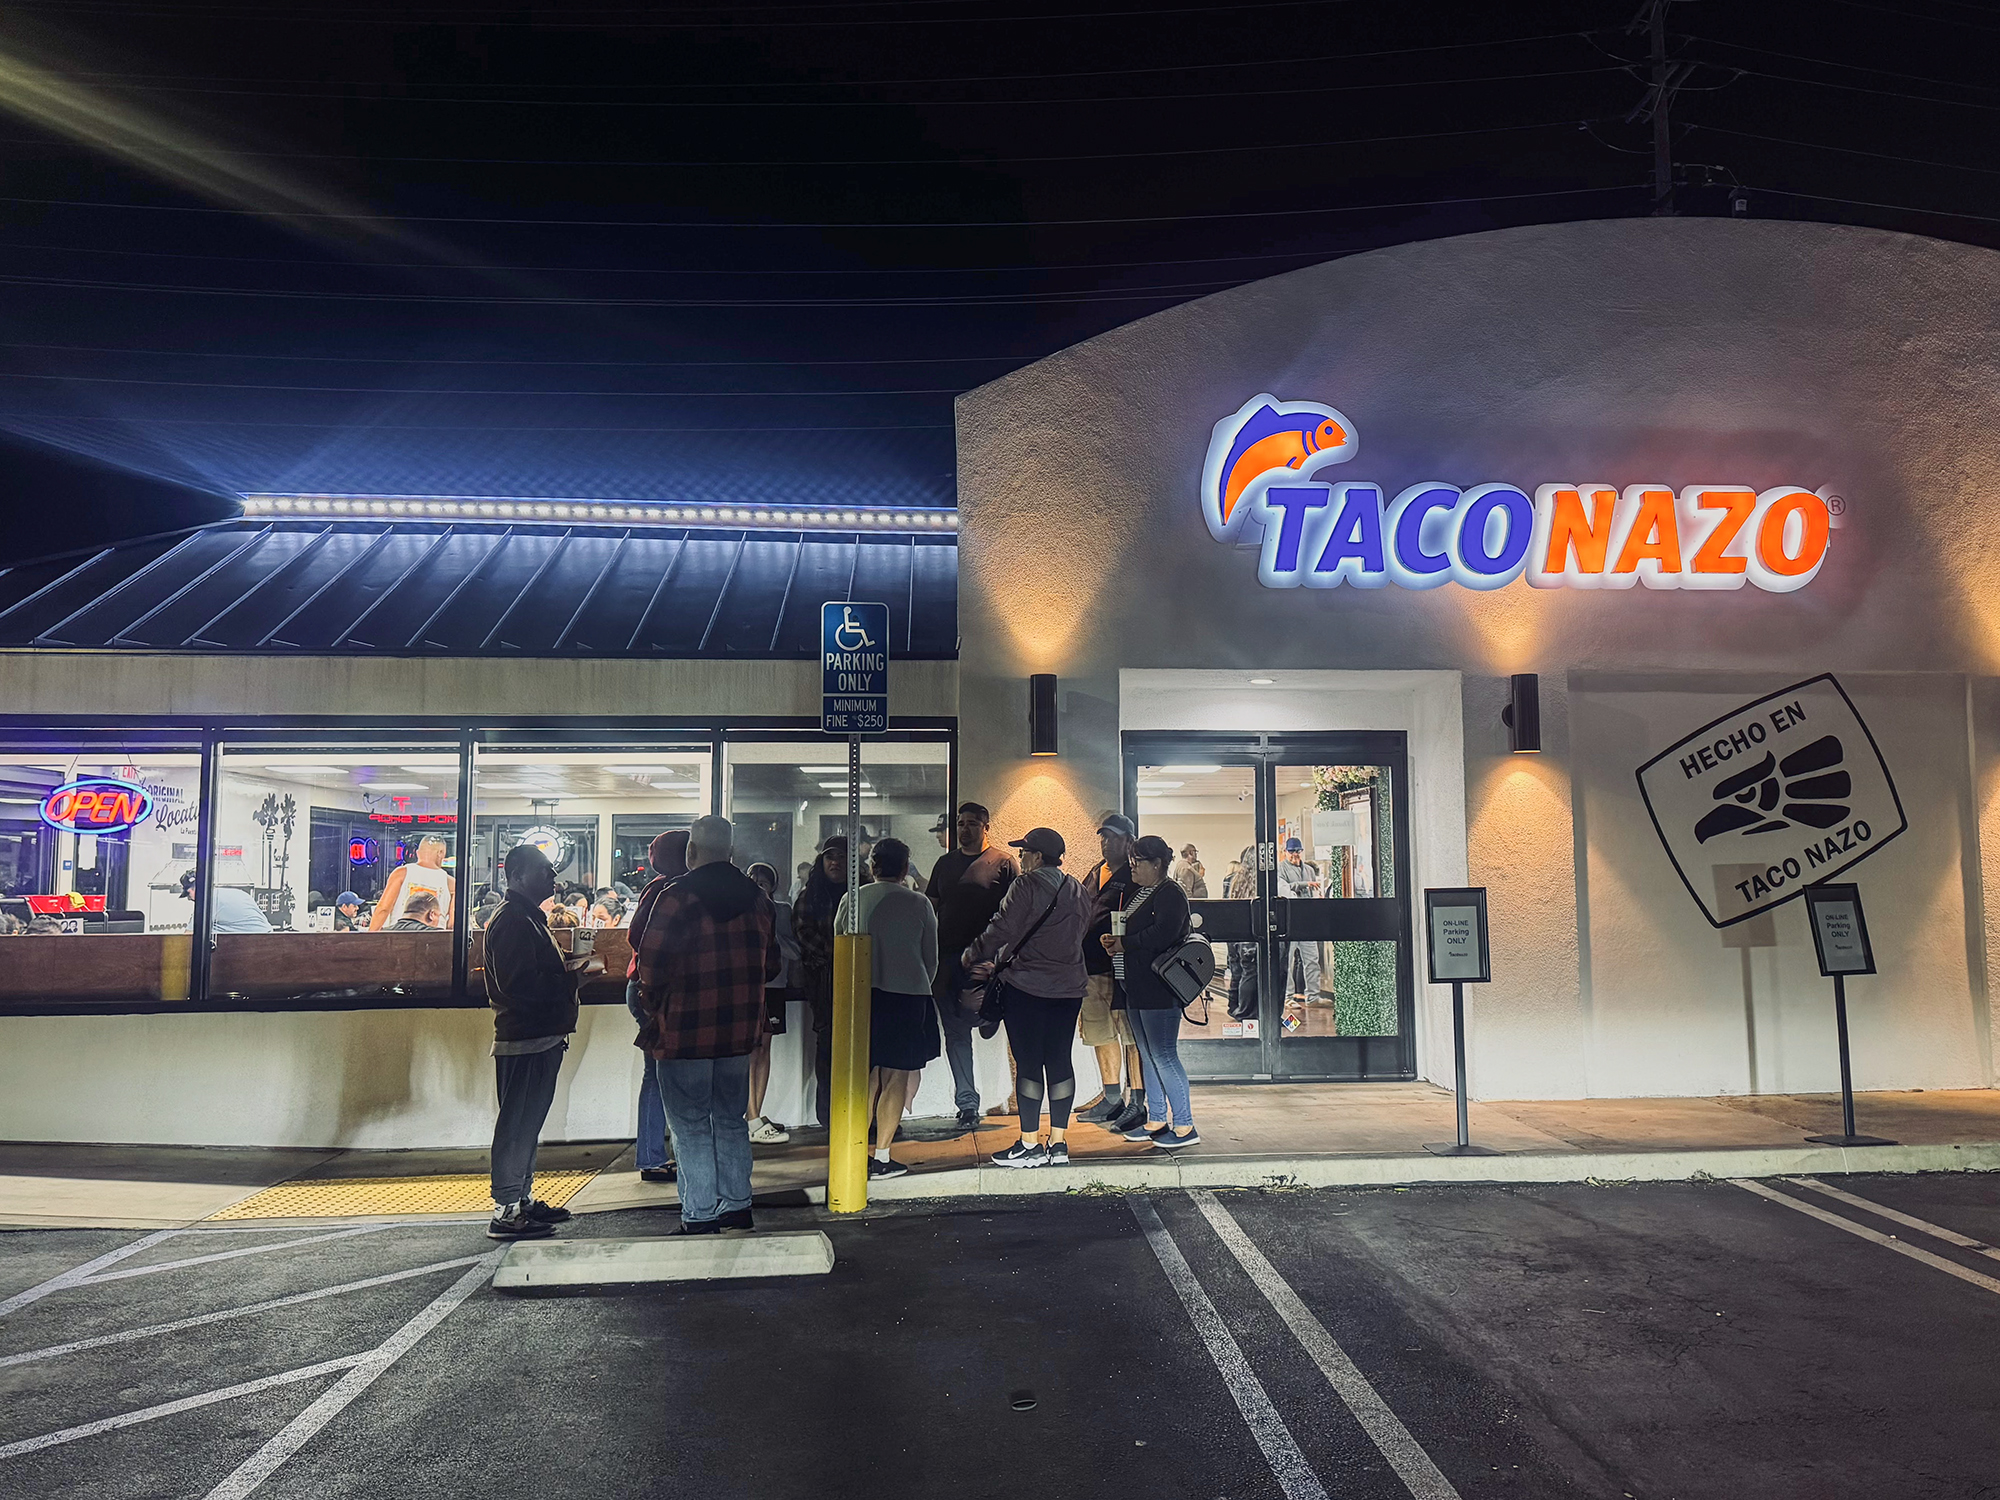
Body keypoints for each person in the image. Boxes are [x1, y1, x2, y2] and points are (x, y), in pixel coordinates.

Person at [633, 815, 780, 1235]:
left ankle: (699, 1215)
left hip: (684, 1031)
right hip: (738, 1033)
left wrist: (654, 1006)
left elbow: (650, 966)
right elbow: (771, 966)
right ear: (731, 852)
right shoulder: (759, 900)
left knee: (691, 1126)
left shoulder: (676, 897)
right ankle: (737, 1206)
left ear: (691, 852)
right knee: (731, 1120)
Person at [482, 842, 596, 1240]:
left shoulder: (526, 917)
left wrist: (566, 969)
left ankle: (522, 1200)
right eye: (545, 869)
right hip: (525, 1037)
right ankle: (506, 1209)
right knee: (517, 1126)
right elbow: (519, 985)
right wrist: (571, 980)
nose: (554, 876)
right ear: (516, 876)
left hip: (537, 1036)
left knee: (527, 1124)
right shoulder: (513, 920)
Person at [963, 827, 1090, 1169]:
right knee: (1060, 1061)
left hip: (1027, 987)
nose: (1021, 858)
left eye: (1024, 852)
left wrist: (973, 953)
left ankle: (1030, 1144)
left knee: (1030, 1064)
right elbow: (1081, 932)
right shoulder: (1077, 888)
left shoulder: (1026, 885)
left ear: (1036, 856)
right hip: (1069, 989)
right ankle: (1059, 1144)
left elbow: (1002, 927)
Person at [836, 838, 938, 1178]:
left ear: (872, 866)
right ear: (905, 867)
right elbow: (931, 959)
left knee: (864, 1078)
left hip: (862, 995)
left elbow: (839, 946)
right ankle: (882, 1157)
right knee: (895, 1078)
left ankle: (854, 1156)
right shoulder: (919, 903)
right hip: (907, 996)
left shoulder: (852, 899)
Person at [1104, 834, 1200, 1149]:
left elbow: (1164, 933)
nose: (1131, 866)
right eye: (1131, 860)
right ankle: (1156, 1119)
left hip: (1159, 987)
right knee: (1148, 1054)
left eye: (1137, 861)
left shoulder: (1170, 892)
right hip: (1136, 984)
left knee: (1164, 1054)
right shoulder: (1143, 892)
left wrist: (1126, 943)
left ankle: (1185, 1126)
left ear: (1157, 863)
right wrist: (1116, 941)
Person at [926, 800, 1016, 1128]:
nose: (965, 829)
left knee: (985, 1015)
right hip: (948, 960)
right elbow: (931, 908)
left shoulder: (1003, 862)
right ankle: (967, 1104)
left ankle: (988, 1017)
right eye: (961, 824)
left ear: (986, 827)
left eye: (972, 824)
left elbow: (1016, 911)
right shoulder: (945, 864)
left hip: (987, 961)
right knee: (955, 1033)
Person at [626, 829, 689, 1184]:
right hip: (652, 989)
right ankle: (655, 1157)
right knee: (661, 1074)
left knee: (657, 1073)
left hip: (642, 986)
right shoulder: (669, 890)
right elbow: (639, 937)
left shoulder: (657, 887)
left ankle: (652, 1156)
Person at [1076, 813, 1146, 1132]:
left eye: (1113, 837)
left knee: (1131, 1036)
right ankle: (1111, 1097)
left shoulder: (1136, 875)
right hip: (1090, 967)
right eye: (1103, 837)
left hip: (1123, 970)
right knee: (1100, 1033)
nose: (1106, 842)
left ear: (1129, 841)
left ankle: (1137, 1101)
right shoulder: (1095, 871)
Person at [793, 837, 847, 1127]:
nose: (835, 862)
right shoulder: (810, 895)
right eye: (829, 857)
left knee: (866, 1046)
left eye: (841, 856)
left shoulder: (863, 890)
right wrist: (842, 952)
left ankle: (866, 1114)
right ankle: (827, 1116)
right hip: (824, 980)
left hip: (863, 978)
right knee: (827, 1045)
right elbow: (803, 933)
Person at [744, 862, 799, 1144]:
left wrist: (770, 931)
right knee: (749, 1050)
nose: (757, 886)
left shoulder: (782, 910)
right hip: (749, 986)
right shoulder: (740, 909)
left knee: (764, 1050)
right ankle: (751, 1117)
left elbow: (795, 950)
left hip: (775, 985)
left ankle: (755, 1114)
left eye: (763, 883)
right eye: (752, 881)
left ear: (772, 887)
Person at [368, 836, 454, 932]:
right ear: (441, 853)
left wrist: (370, 937)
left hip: (400, 935)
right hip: (433, 938)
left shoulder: (402, 873)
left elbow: (383, 909)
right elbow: (452, 923)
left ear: (417, 853)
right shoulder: (451, 883)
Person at [1279, 836, 1322, 1003]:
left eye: (1297, 851)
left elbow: (1314, 890)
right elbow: (1283, 890)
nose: (1295, 855)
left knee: (1312, 960)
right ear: (1285, 852)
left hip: (1306, 920)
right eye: (1291, 851)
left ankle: (1313, 996)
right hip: (1289, 921)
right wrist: (1304, 885)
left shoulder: (1309, 870)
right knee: (1288, 961)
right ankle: (1287, 997)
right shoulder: (1281, 869)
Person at [178, 869, 273, 934]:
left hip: (252, 942)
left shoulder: (207, 901)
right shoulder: (237, 893)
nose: (189, 899)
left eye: (188, 894)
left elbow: (189, 936)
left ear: (194, 889)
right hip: (270, 938)